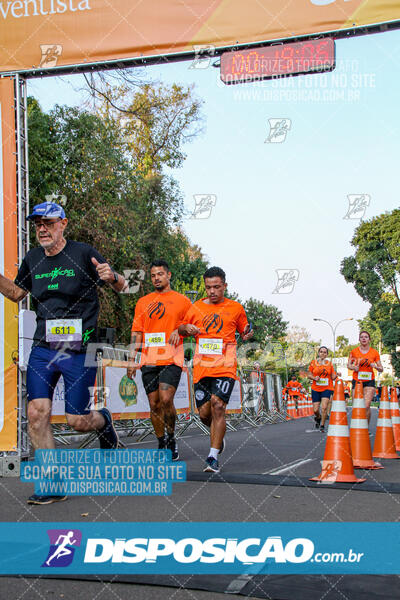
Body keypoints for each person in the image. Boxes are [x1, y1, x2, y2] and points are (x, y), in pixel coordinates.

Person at [0, 202, 126, 505]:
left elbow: (127, 287)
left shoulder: (84, 254)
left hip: (80, 349)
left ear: (63, 224)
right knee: (36, 412)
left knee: (76, 420)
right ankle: (52, 483)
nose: (42, 229)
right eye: (37, 224)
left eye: (49, 223)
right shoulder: (32, 259)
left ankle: (103, 421)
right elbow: (17, 294)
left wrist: (114, 277)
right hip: (44, 348)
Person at [178, 266, 253, 473]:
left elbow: (245, 330)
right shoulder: (195, 308)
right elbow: (180, 329)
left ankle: (212, 456)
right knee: (204, 413)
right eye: (209, 287)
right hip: (202, 367)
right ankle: (218, 438)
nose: (212, 292)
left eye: (217, 287)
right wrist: (187, 329)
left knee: (218, 405)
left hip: (225, 366)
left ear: (225, 286)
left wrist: (247, 333)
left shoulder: (236, 308)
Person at [127, 259, 191, 460]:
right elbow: (137, 332)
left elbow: (191, 327)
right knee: (154, 404)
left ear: (169, 275)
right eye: (153, 275)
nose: (156, 278)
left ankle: (172, 438)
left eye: (160, 274)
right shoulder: (143, 302)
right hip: (149, 360)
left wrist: (178, 329)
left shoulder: (182, 301)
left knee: (165, 399)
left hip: (172, 358)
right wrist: (131, 359)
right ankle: (161, 440)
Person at [348, 331, 383, 425]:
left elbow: (381, 369)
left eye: (366, 337)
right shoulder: (354, 351)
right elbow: (349, 365)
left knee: (366, 405)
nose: (364, 338)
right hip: (357, 380)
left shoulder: (374, 352)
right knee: (356, 405)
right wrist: (353, 367)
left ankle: (365, 427)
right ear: (359, 339)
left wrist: (375, 366)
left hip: (369, 381)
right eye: (362, 337)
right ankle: (358, 425)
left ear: (369, 339)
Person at [307, 346, 337, 432]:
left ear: (327, 354)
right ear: (318, 353)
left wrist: (337, 374)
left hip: (327, 388)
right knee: (316, 410)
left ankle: (322, 425)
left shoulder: (330, 364)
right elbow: (309, 375)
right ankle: (318, 417)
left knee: (324, 408)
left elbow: (333, 377)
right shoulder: (313, 363)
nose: (323, 353)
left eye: (324, 352)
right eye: (321, 352)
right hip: (316, 388)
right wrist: (314, 378)